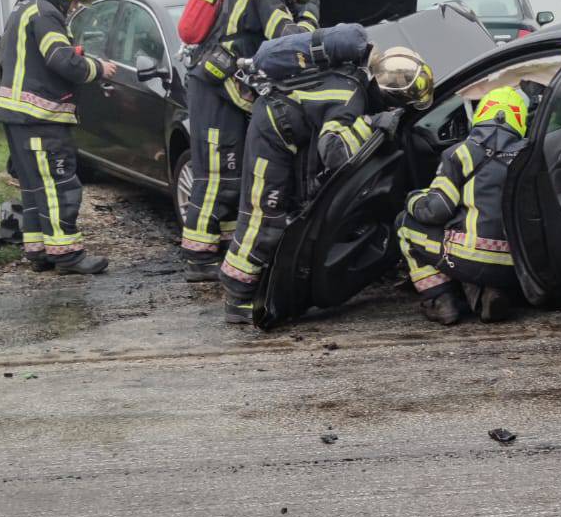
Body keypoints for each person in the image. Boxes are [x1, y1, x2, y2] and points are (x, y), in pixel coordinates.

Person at [219, 34, 435, 324]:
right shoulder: (352, 97)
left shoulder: (355, 80)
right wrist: (373, 126)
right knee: (263, 214)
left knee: (292, 209)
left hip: (292, 133)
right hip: (272, 132)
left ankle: (259, 281)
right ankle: (238, 295)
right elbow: (334, 149)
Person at [179, 0, 322, 278]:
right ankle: (198, 258)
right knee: (215, 176)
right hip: (213, 93)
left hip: (222, 92)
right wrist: (311, 15)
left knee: (230, 177)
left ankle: (227, 246)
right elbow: (287, 38)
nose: (295, 2)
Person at [0, 0, 119, 275]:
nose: (74, 7)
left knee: (34, 187)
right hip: (40, 117)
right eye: (74, 1)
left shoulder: (24, 8)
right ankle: (67, 255)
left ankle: (39, 252)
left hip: (18, 116)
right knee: (58, 185)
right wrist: (98, 67)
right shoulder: (46, 13)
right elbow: (62, 60)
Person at [398, 84, 530, 327]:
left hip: (470, 257)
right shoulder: (528, 155)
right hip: (520, 265)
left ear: (482, 113)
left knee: (405, 225)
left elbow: (437, 210)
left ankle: (440, 300)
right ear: (519, 118)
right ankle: (486, 294)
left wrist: (413, 199)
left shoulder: (460, 153)